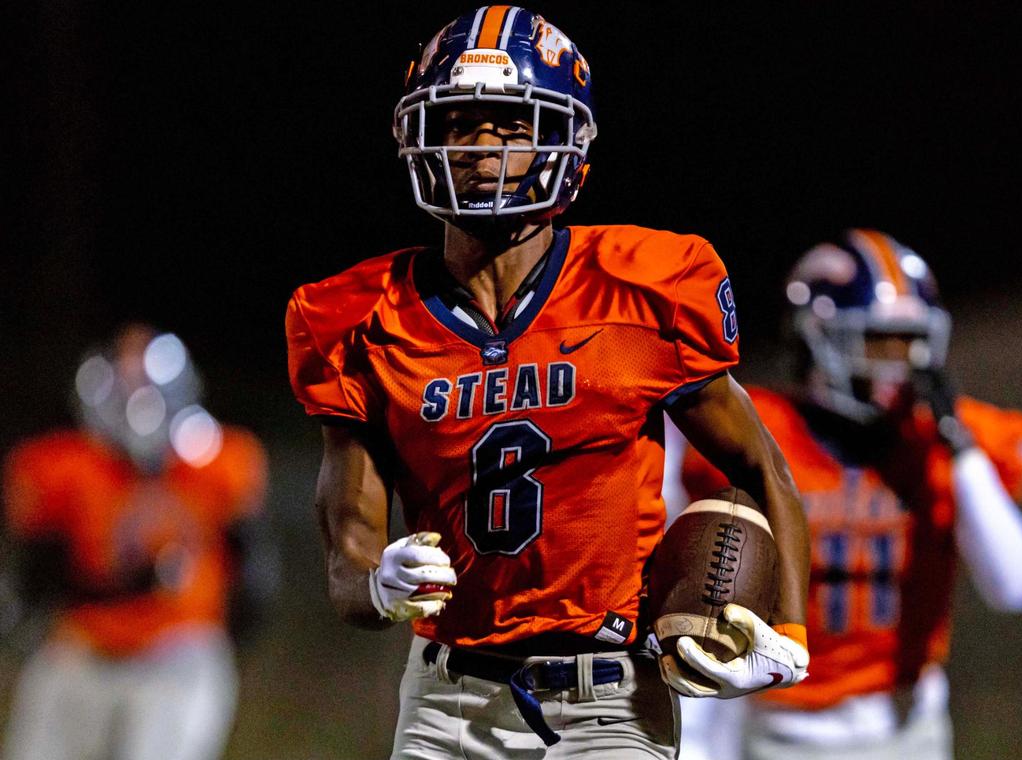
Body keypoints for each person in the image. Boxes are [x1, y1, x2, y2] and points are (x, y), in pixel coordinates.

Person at [285, 6, 812, 758]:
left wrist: (787, 633)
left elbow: (762, 469)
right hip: (447, 702)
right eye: (460, 124)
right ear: (420, 136)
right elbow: (349, 558)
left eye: (511, 125)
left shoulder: (647, 287)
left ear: (566, 143)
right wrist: (378, 586)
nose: (482, 149)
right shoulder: (360, 318)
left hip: (611, 701)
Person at [670, 229, 1022, 760]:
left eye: (911, 343)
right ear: (816, 339)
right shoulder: (757, 437)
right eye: (878, 343)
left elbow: (1015, 588)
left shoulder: (947, 444)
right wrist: (697, 735)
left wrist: (960, 450)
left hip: (910, 725)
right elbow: (701, 602)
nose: (899, 365)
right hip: (789, 731)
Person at [1, 324, 275, 760]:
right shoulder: (66, 468)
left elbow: (253, 573)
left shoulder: (220, 463)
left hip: (176, 654)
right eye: (126, 383)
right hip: (84, 650)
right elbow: (37, 576)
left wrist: (227, 636)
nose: (137, 401)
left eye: (146, 383)